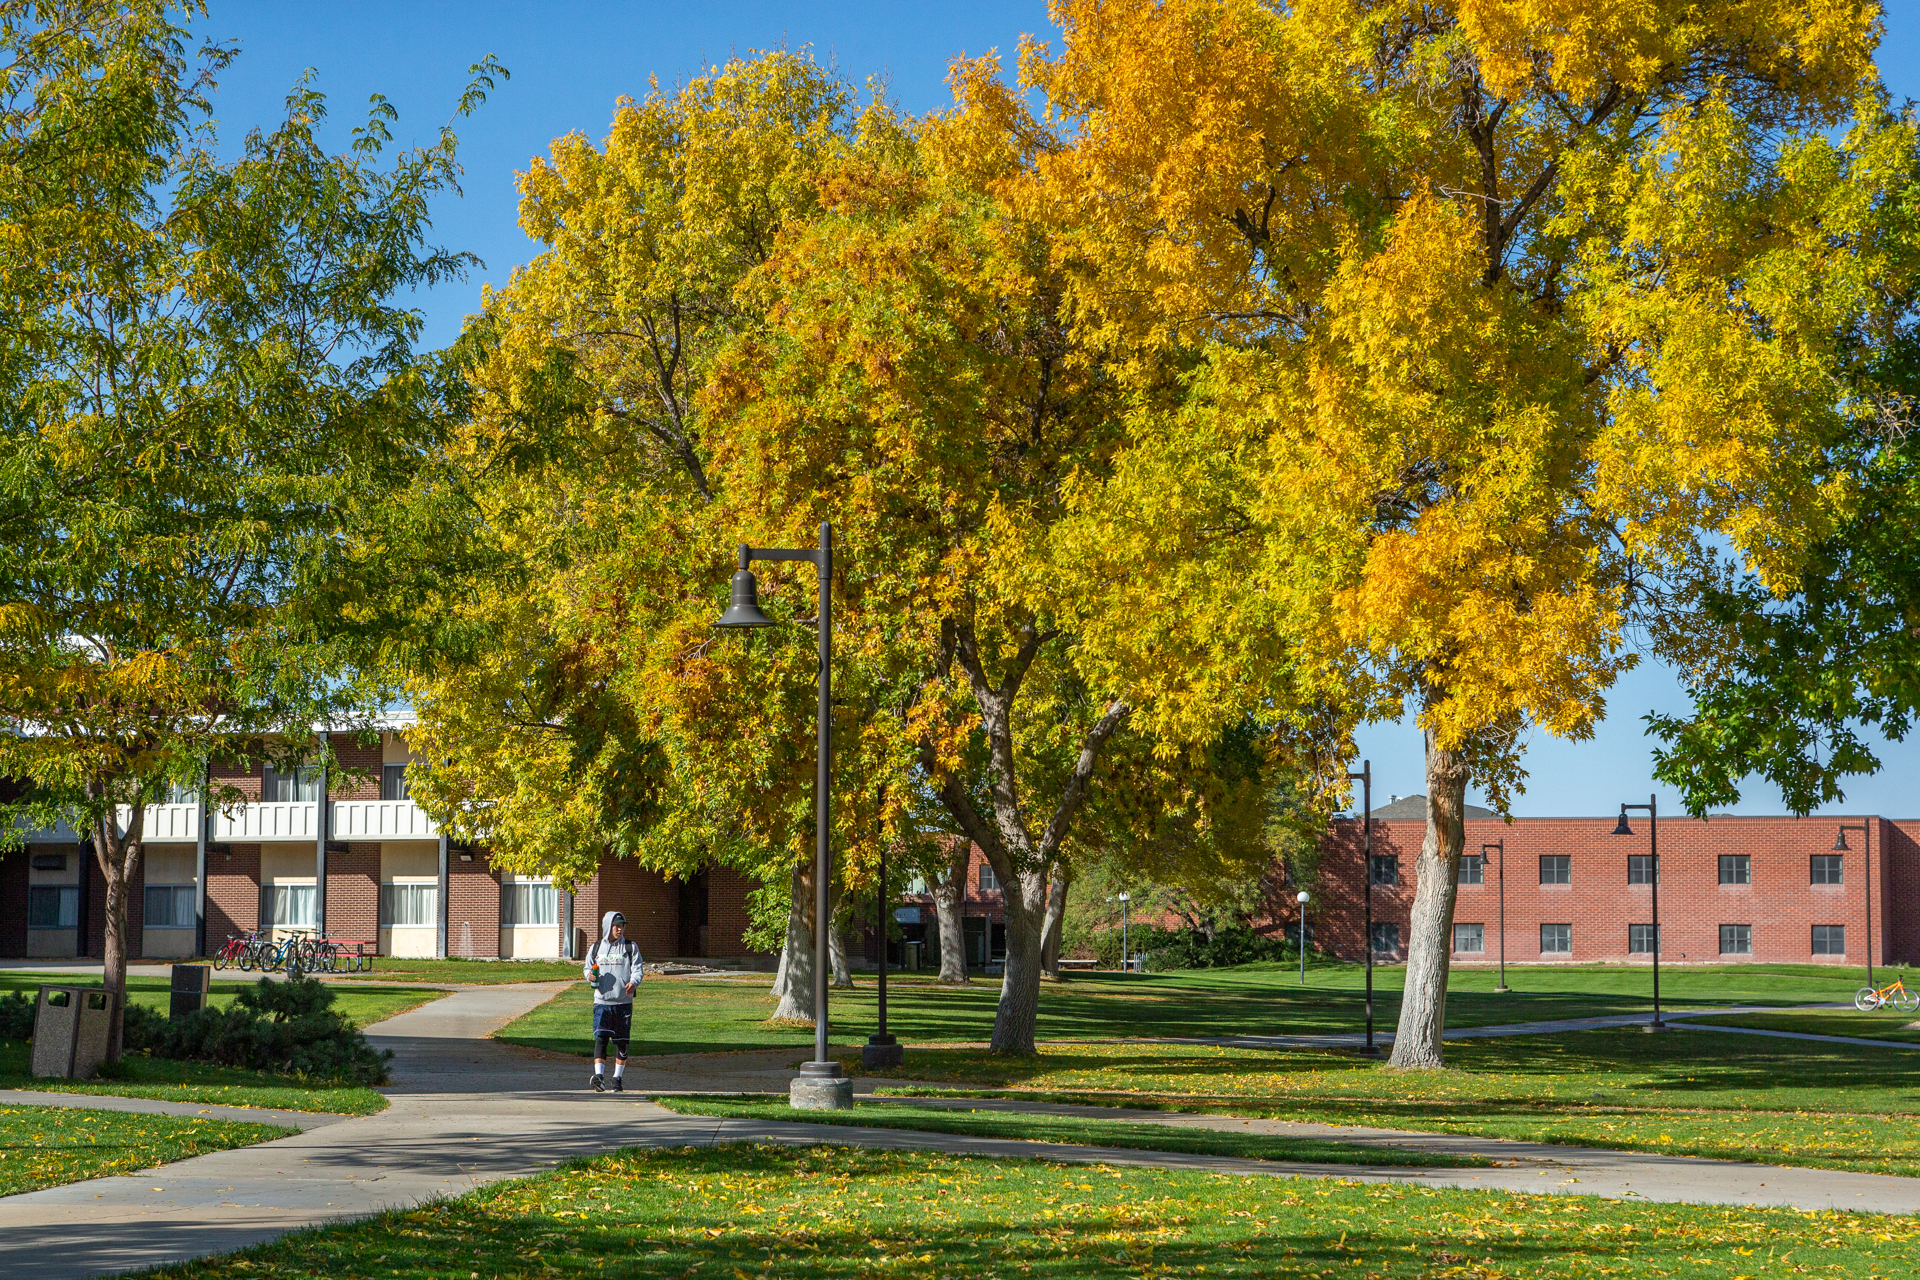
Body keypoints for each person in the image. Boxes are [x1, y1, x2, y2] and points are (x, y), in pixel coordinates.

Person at [584, 910, 642, 1092]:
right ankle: (599, 1077)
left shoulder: (630, 947)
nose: (619, 929)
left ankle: (617, 1078)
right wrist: (590, 977)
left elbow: (638, 969)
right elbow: (587, 968)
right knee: (600, 1038)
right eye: (616, 926)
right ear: (608, 926)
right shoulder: (596, 948)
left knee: (622, 1042)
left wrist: (633, 982)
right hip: (602, 1001)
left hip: (623, 1002)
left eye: (622, 926)